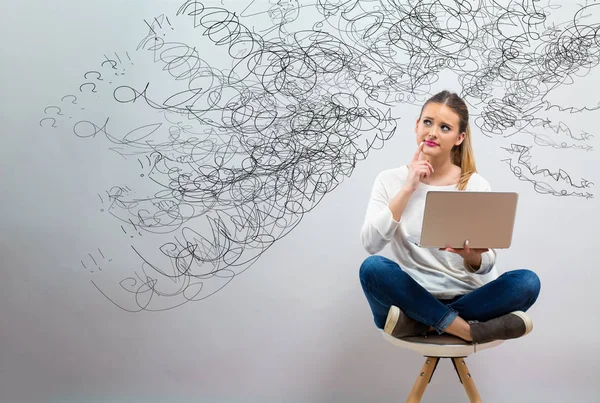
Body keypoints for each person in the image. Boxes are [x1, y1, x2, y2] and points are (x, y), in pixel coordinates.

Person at [359, 90, 541, 345]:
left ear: (459, 137)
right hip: (411, 295)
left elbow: (487, 263)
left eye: (445, 127)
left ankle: (425, 324)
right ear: (416, 125)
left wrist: (472, 257)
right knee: (373, 269)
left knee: (527, 282)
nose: (433, 132)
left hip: (465, 298)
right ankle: (467, 331)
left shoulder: (475, 184)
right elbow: (370, 244)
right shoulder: (390, 180)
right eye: (428, 122)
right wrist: (408, 188)